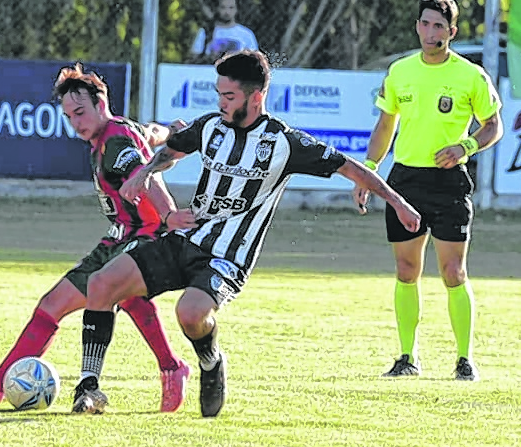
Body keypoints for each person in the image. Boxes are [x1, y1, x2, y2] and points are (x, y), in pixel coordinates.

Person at [74, 49, 422, 417]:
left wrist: (398, 202)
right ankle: (90, 388)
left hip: (228, 256)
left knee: (190, 313)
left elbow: (348, 167)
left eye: (229, 96)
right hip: (187, 238)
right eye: (219, 94)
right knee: (101, 283)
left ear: (255, 97)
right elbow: (172, 151)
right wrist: (144, 172)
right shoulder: (211, 127)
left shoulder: (283, 143)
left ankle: (210, 362)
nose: (221, 103)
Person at [0, 63, 194, 412]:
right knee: (52, 306)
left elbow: (146, 177)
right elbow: (150, 132)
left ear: (101, 104)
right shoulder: (120, 130)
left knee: (124, 293)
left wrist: (168, 216)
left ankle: (167, 369)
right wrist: (170, 133)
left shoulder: (115, 141)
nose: (76, 122)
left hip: (146, 233)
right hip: (118, 235)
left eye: (80, 112)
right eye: (69, 116)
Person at [358, 0, 503, 382]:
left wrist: (465, 145)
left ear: (452, 31)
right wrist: (369, 170)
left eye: (439, 25)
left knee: (453, 271)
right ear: (417, 26)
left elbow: (493, 125)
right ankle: (407, 357)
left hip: (449, 182)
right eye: (425, 23)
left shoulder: (470, 75)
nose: (430, 31)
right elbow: (385, 126)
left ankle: (464, 359)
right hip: (405, 181)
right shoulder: (400, 71)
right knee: (407, 270)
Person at [188, 0, 258, 64]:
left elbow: (254, 58)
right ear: (217, 9)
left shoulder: (246, 34)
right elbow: (195, 56)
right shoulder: (205, 32)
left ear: (236, 9)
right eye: (223, 7)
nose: (227, 12)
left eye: (231, 8)